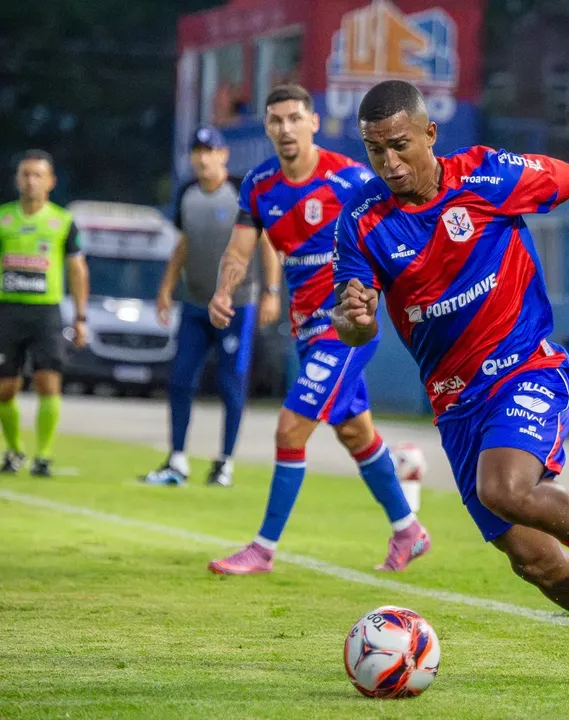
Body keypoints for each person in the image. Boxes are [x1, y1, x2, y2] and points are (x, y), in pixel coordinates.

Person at [332, 80, 569, 687]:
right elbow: (352, 327)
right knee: (534, 560)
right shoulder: (362, 222)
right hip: (454, 402)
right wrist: (355, 319)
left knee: (504, 487)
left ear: (429, 134)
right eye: (374, 151)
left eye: (399, 145)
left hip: (526, 365)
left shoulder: (489, 179)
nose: (389, 163)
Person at [205, 84, 429, 574]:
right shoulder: (260, 185)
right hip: (306, 325)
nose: (285, 128)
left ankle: (262, 549)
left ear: (313, 122)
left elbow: (400, 229)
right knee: (354, 433)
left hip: (348, 324)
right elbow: (240, 249)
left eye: (293, 118)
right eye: (275, 120)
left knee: (290, 428)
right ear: (267, 127)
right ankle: (408, 530)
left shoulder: (349, 179)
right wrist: (225, 290)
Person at [141, 126, 282, 487]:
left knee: (230, 381)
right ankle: (177, 460)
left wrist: (270, 290)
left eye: (210, 151)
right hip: (195, 303)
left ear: (223, 155)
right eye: (197, 151)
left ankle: (225, 462)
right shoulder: (187, 193)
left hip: (238, 305)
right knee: (179, 379)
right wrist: (166, 288)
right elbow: (184, 245)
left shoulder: (240, 192)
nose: (203, 157)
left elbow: (266, 244)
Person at [0, 150, 89, 477]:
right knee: (5, 389)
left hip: (46, 314)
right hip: (8, 311)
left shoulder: (62, 222)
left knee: (48, 383)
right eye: (25, 174)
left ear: (50, 181)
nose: (31, 181)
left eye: (38, 175)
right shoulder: (4, 218)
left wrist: (81, 317)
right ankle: (14, 450)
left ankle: (44, 455)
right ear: (17, 179)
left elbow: (77, 270)